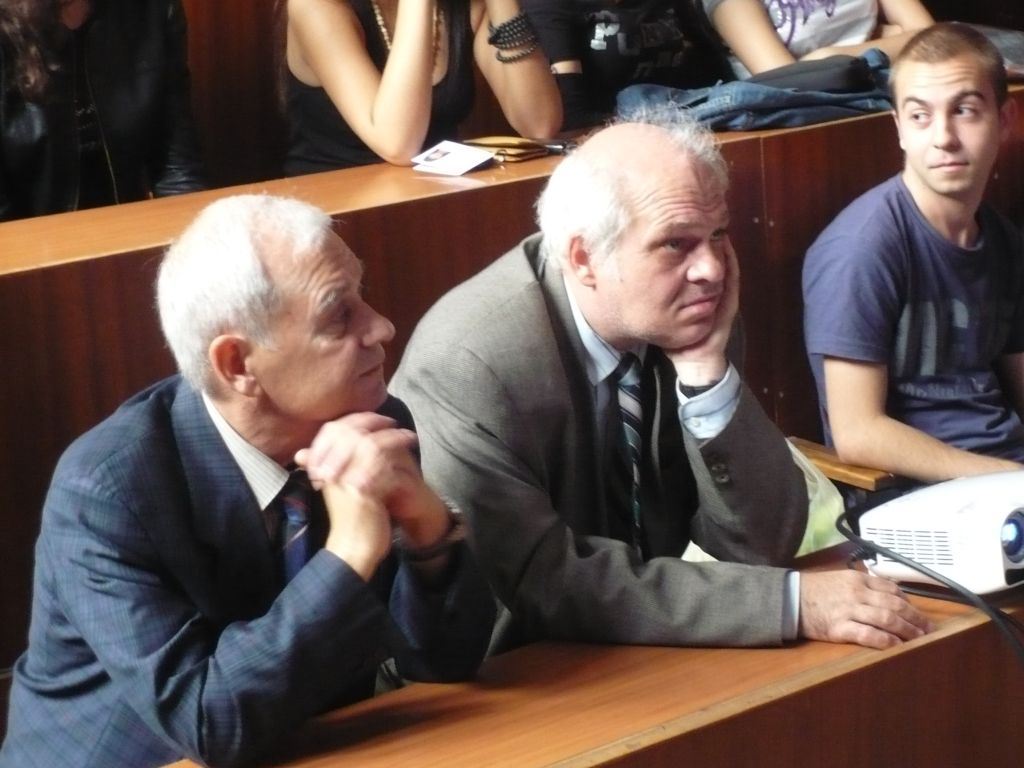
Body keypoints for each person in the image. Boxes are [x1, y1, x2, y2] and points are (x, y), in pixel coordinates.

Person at [392, 109, 930, 655]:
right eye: (676, 244)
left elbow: (762, 544)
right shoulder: (468, 363)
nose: (712, 270)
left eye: (717, 234)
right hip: (519, 668)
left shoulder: (690, 314)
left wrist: (707, 376)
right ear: (584, 258)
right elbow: (542, 584)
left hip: (643, 640)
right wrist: (789, 603)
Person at [0, 195, 495, 768]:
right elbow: (210, 724)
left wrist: (429, 531)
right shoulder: (107, 490)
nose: (381, 326)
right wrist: (351, 553)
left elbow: (443, 663)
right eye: (338, 315)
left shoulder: (370, 425)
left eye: (362, 296)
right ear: (237, 364)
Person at [803, 22, 1024, 486]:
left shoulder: (1004, 241)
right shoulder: (862, 247)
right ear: (900, 128)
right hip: (914, 495)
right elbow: (857, 433)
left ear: (1004, 120)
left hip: (1004, 478)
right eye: (920, 116)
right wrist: (1008, 479)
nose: (944, 136)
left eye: (964, 110)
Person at [280, 0, 561, 172]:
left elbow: (539, 123)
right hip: (341, 214)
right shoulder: (316, 7)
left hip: (435, 196)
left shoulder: (464, 7)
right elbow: (397, 145)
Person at [0, 0, 205, 221]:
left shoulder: (154, 9)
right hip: (24, 237)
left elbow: (178, 170)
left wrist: (190, 235)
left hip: (124, 229)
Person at [520, 0, 733, 131]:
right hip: (614, 144)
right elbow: (573, 118)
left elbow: (719, 77)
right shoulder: (548, 6)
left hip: (700, 127)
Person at [702, 0, 933, 78]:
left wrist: (829, 56)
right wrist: (891, 38)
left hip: (886, 88)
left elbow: (933, 39)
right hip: (800, 125)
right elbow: (786, 80)